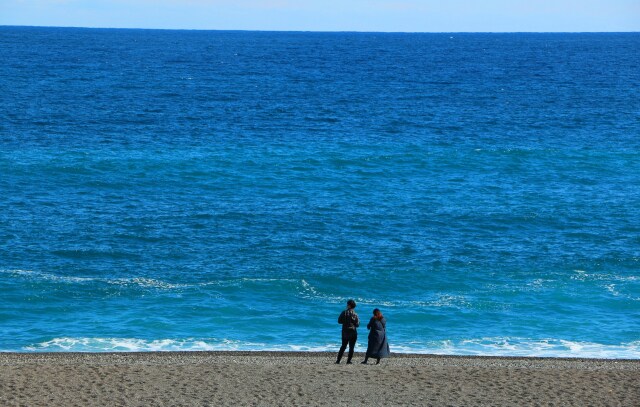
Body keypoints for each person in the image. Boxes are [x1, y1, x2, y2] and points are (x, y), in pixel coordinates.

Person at [336, 299, 359, 364]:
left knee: (343, 346)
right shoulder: (355, 314)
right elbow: (357, 324)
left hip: (345, 332)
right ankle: (348, 361)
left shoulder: (344, 312)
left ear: (349, 305)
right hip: (353, 332)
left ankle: (338, 360)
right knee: (351, 347)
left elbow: (339, 321)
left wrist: (345, 322)